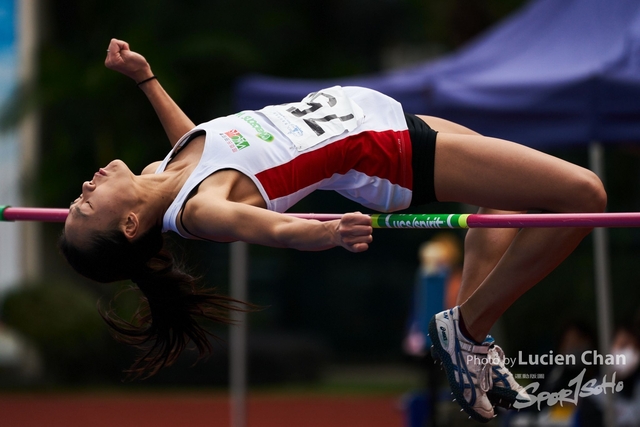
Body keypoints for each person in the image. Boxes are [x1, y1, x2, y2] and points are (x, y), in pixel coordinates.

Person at [59, 39, 606, 420]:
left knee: (506, 207)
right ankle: (465, 331)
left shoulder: (169, 171)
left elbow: (199, 142)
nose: (83, 191)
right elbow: (266, 227)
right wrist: (324, 234)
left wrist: (146, 79)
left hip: (378, 118)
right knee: (585, 195)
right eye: (86, 208)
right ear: (131, 225)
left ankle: (472, 338)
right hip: (384, 154)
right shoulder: (202, 210)